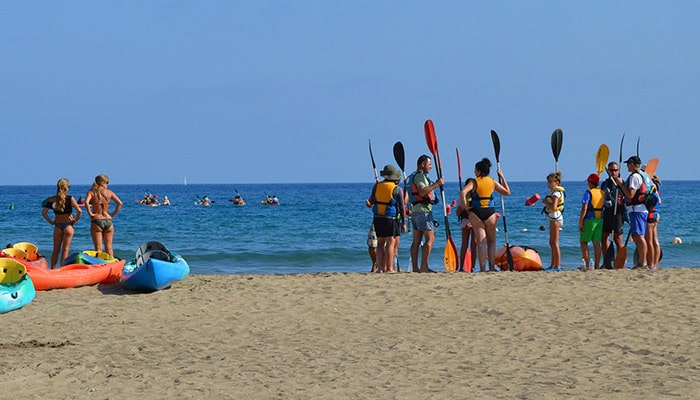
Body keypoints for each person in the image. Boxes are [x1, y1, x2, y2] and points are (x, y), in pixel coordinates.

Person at [458, 158, 510, 272]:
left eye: (475, 170)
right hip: (490, 212)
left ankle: (482, 268)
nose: (474, 172)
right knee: (491, 241)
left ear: (479, 171)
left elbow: (462, 193)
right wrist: (501, 176)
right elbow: (507, 192)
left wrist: (466, 206)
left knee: (481, 242)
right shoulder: (493, 181)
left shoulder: (474, 182)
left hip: (476, 212)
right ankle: (491, 267)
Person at [365, 164, 405, 273]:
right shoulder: (397, 189)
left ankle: (381, 268)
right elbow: (401, 207)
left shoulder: (377, 186)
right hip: (390, 218)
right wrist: (403, 222)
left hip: (377, 218)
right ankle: (389, 268)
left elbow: (371, 201)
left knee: (380, 243)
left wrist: (368, 204)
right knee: (390, 242)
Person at [613, 156, 651, 269]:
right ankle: (642, 261)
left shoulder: (635, 176)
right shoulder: (644, 175)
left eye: (628, 164)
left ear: (632, 164)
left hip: (637, 210)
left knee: (639, 236)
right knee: (637, 235)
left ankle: (643, 262)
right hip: (640, 209)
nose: (626, 166)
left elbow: (630, 195)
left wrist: (621, 184)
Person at [408, 155, 444, 273]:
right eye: (429, 164)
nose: (431, 167)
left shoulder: (413, 176)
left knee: (416, 241)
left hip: (415, 211)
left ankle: (415, 268)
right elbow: (422, 192)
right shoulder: (420, 176)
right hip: (423, 211)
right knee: (430, 238)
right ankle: (424, 267)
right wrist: (437, 184)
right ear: (422, 164)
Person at [41, 178, 82, 268]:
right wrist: (76, 220)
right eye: (69, 186)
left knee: (55, 250)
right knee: (65, 250)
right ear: (66, 187)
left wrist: (51, 222)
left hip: (57, 226)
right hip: (68, 226)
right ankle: (62, 269)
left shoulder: (52, 199)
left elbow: (44, 212)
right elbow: (79, 211)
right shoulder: (70, 198)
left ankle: (52, 270)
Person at [84, 174, 122, 257]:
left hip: (97, 220)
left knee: (98, 248)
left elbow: (86, 202)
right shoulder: (110, 193)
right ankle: (111, 266)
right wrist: (112, 214)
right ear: (103, 183)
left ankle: (100, 265)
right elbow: (120, 203)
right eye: (107, 182)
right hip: (108, 220)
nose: (108, 184)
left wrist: (90, 213)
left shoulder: (91, 192)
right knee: (109, 248)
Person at [600, 162, 627, 269]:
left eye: (615, 170)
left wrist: (620, 185)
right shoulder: (605, 184)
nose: (613, 172)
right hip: (607, 213)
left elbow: (627, 195)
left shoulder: (622, 183)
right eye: (611, 170)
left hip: (619, 213)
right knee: (604, 237)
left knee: (617, 239)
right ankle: (607, 261)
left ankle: (620, 263)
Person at [578, 173, 604, 270]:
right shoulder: (602, 192)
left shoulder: (588, 193)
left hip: (589, 219)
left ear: (590, 182)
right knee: (596, 243)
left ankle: (587, 265)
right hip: (599, 219)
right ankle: (597, 265)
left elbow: (584, 208)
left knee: (583, 242)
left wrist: (580, 221)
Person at [542, 171, 565, 271]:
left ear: (557, 183)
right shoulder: (553, 192)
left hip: (556, 218)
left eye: (551, 182)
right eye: (548, 182)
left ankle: (558, 265)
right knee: (551, 242)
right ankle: (552, 264)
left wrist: (546, 203)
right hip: (552, 218)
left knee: (555, 243)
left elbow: (554, 207)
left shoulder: (556, 193)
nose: (549, 184)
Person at [458, 178, 476, 271]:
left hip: (465, 221)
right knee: (474, 245)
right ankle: (473, 267)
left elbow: (458, 212)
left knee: (464, 244)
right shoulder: (476, 196)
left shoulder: (463, 197)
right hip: (474, 221)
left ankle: (461, 267)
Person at [645, 174, 662, 270]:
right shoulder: (657, 185)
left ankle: (651, 263)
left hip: (651, 213)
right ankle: (655, 264)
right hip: (656, 213)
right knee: (655, 240)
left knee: (649, 240)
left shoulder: (651, 185)